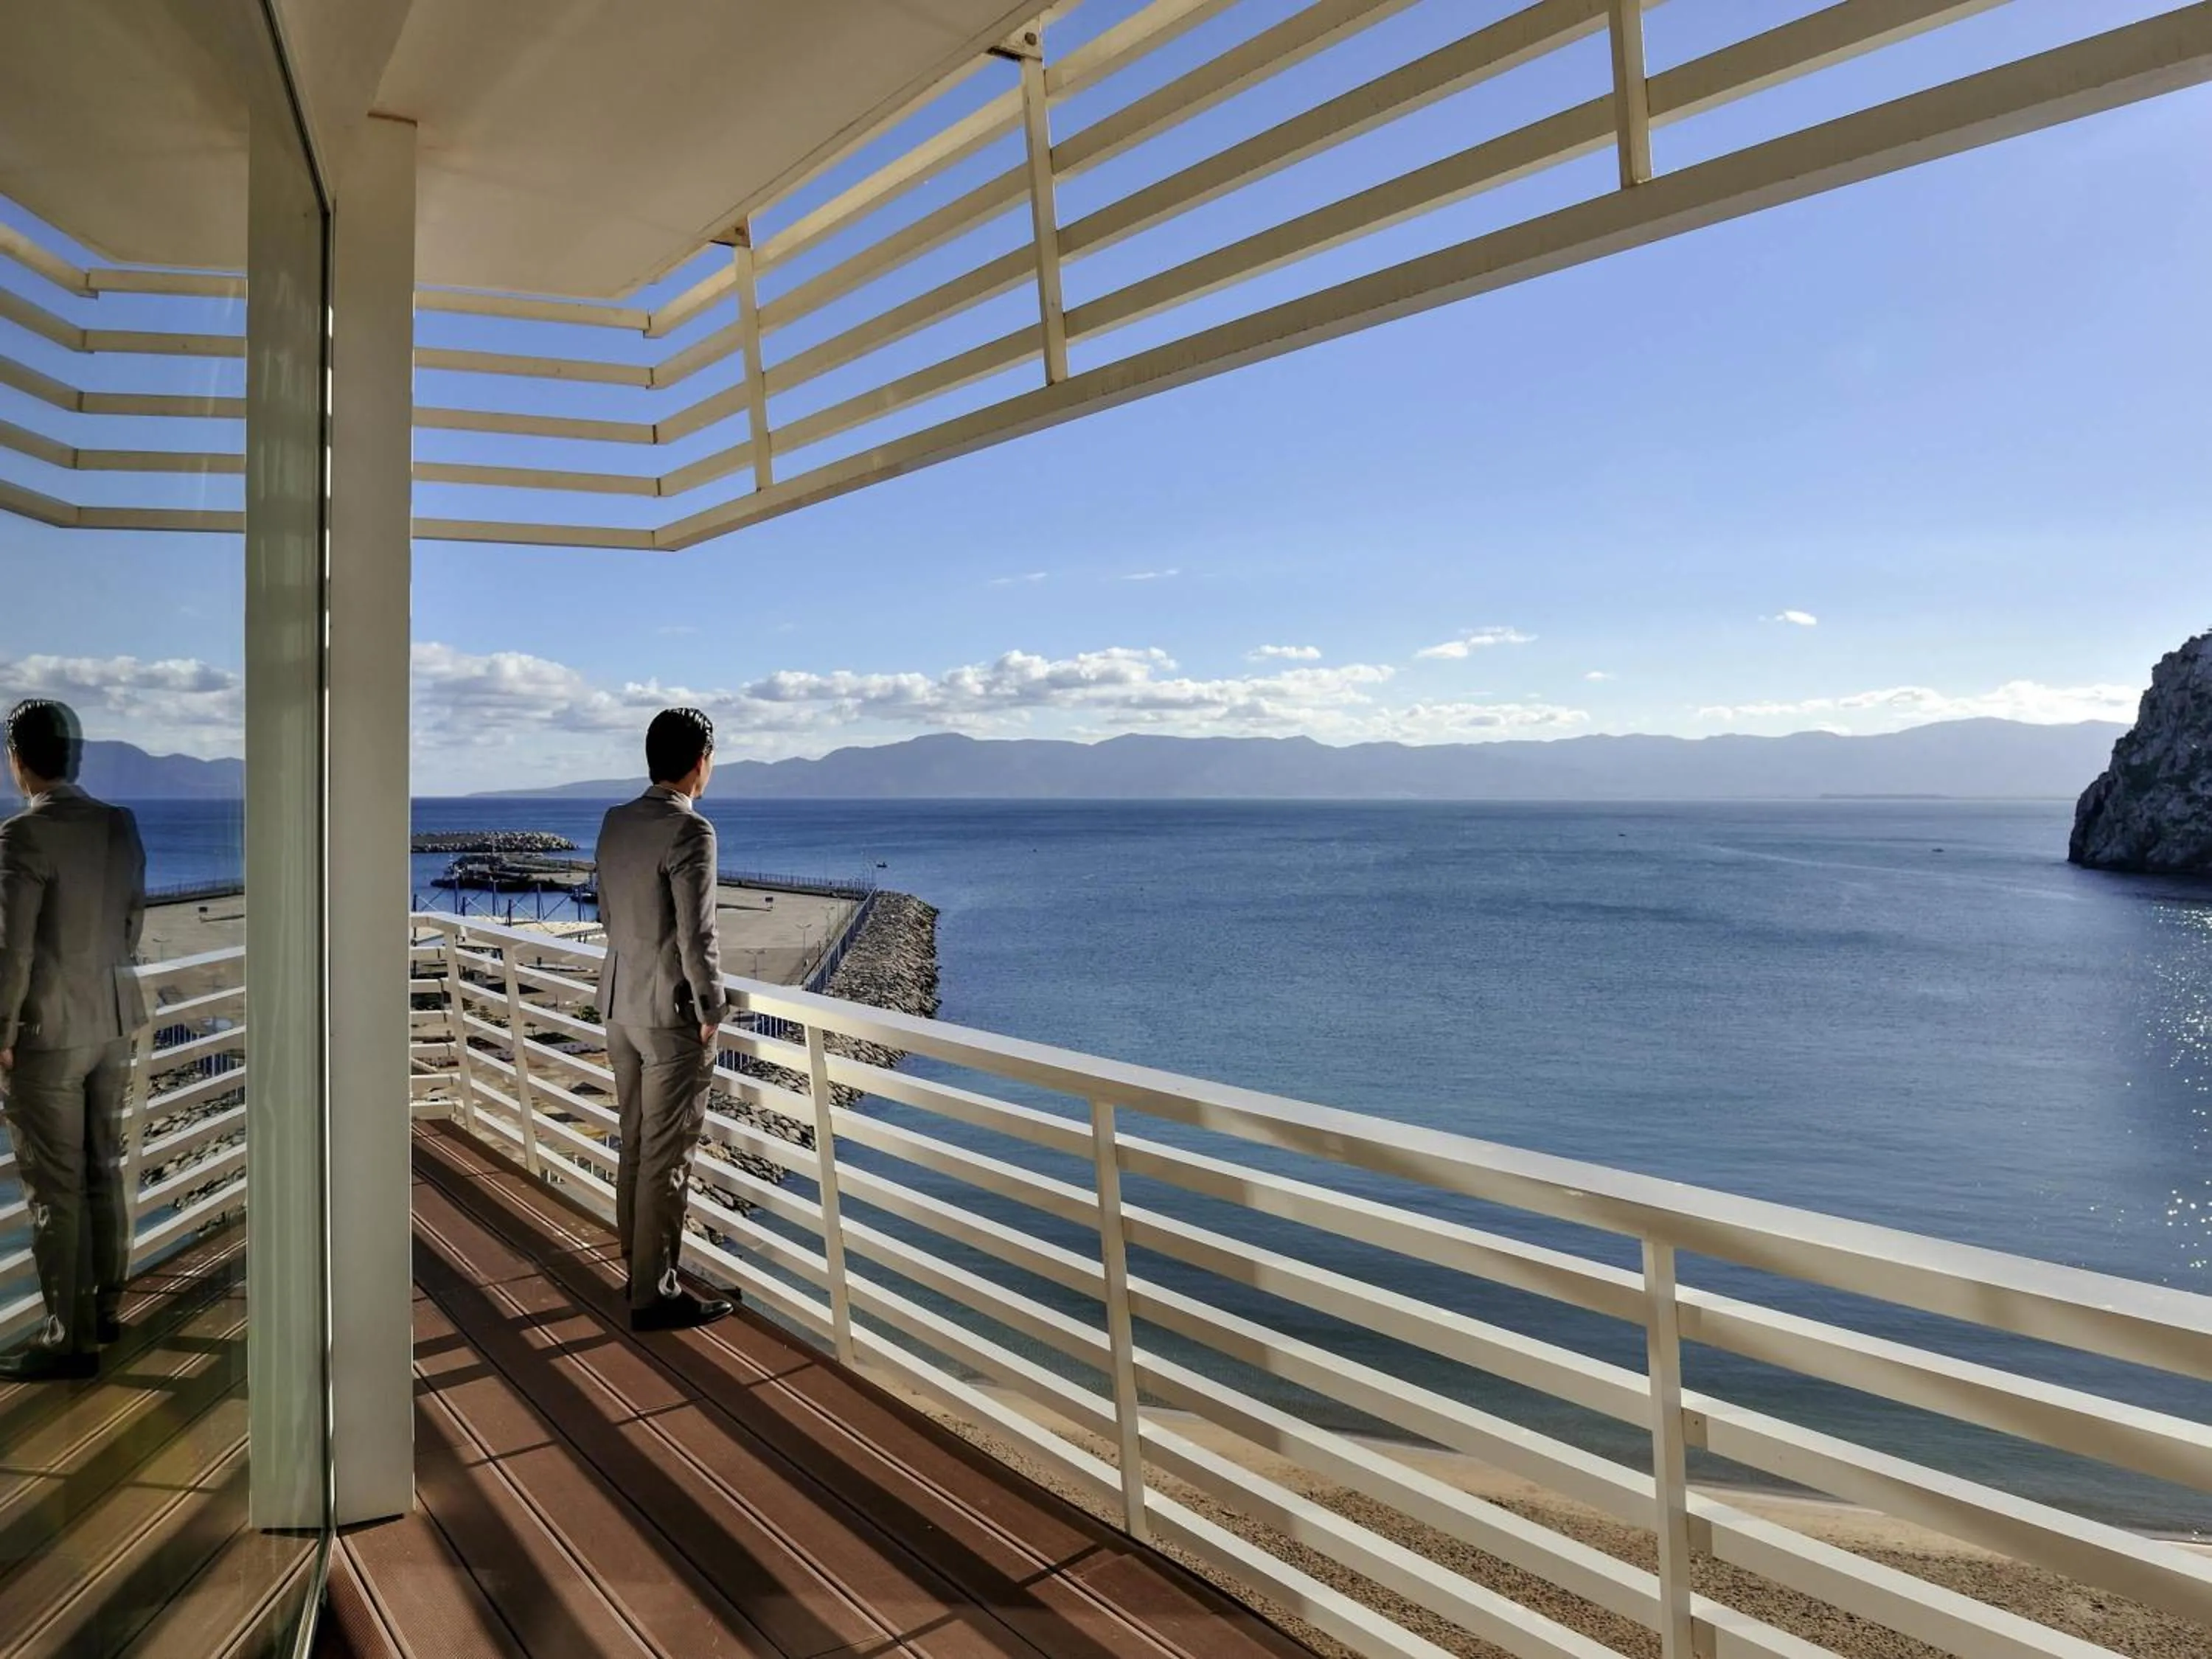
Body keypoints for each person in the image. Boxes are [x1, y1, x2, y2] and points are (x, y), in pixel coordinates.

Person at [0, 700, 148, 1381]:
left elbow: (12, 952)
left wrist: (3, 1034)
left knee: (53, 1187)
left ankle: (70, 1340)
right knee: (99, 1171)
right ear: (75, 758)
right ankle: (106, 1310)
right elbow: (129, 922)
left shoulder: (22, 837)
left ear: (19, 760)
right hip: (111, 1024)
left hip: (49, 1036)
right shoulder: (118, 824)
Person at [593, 707, 735, 1332]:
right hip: (668, 1017)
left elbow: (607, 914)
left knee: (635, 1141)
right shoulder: (692, 831)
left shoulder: (615, 821)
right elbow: (697, 937)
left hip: (619, 1004)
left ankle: (637, 1262)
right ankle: (654, 1292)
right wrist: (713, 1009)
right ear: (700, 760)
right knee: (667, 1155)